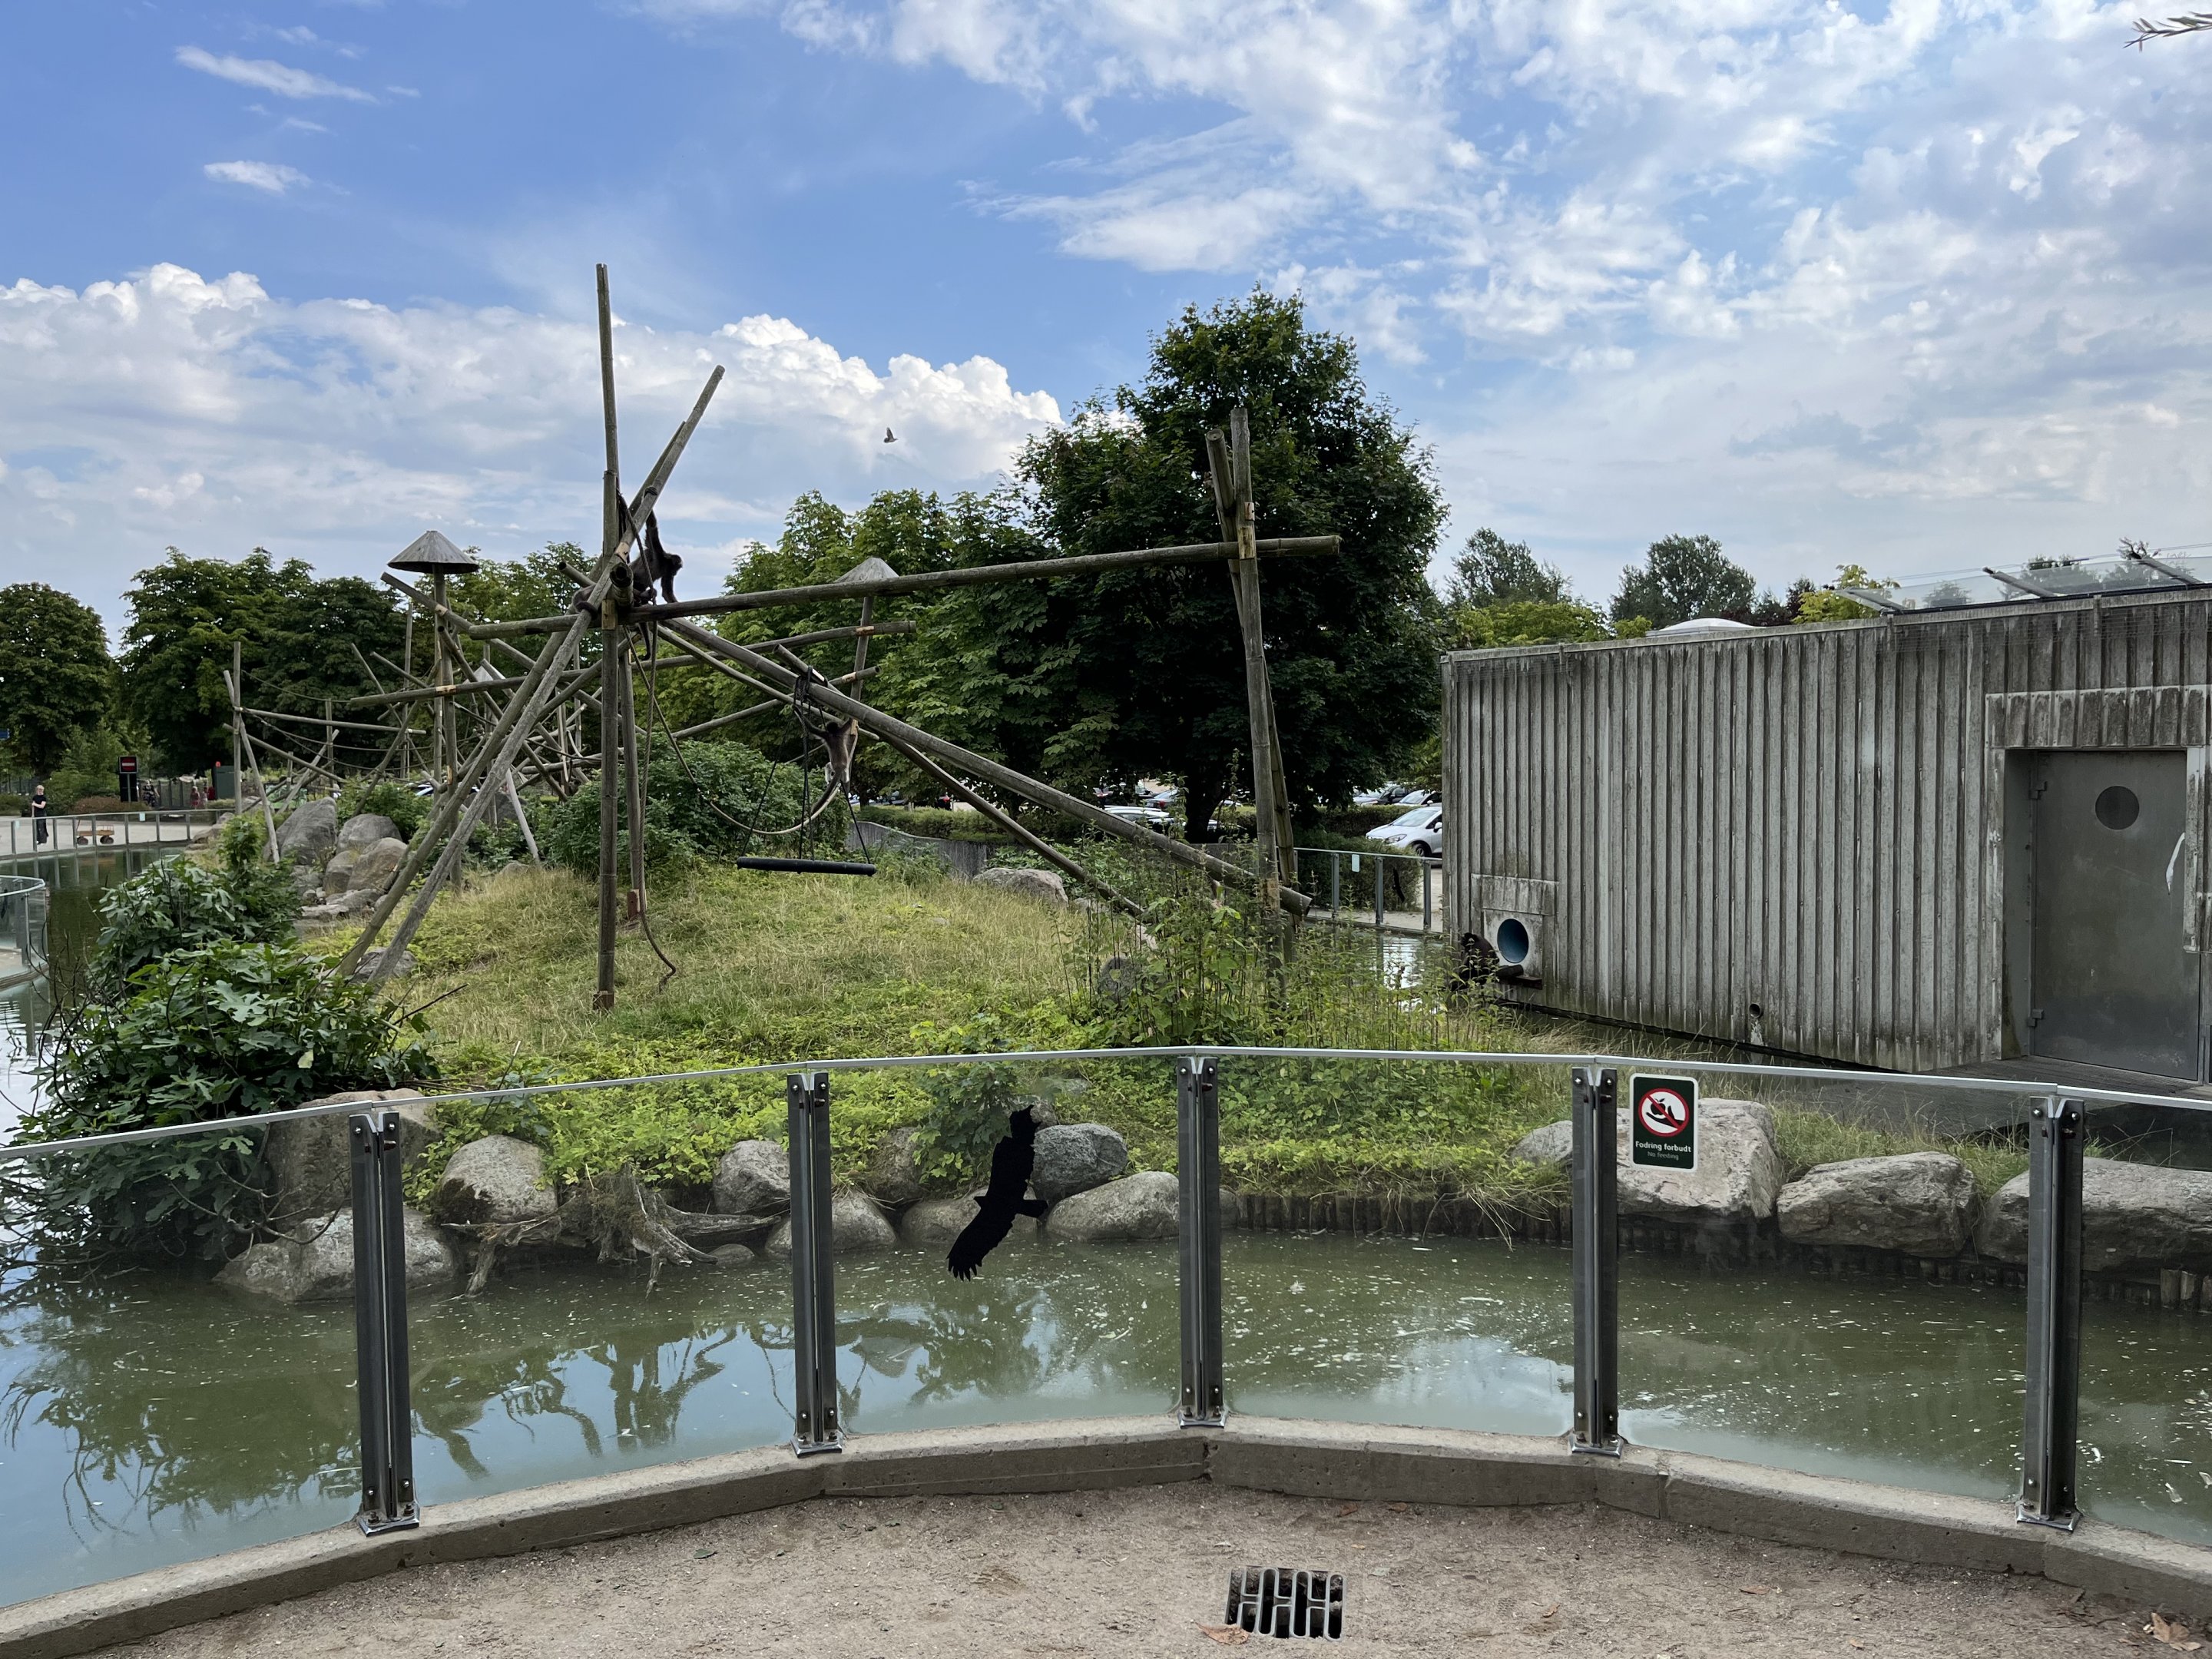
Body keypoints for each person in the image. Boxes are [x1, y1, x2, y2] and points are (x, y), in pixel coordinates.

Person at [30, 783, 48, 847]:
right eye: (38, 790)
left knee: (42, 827)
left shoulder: (44, 798)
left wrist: (35, 805)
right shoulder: (35, 797)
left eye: (41, 790)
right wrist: (33, 814)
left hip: (42, 814)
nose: (39, 791)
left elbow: (42, 806)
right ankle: (38, 839)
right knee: (37, 827)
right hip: (36, 814)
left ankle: (43, 840)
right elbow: (33, 807)